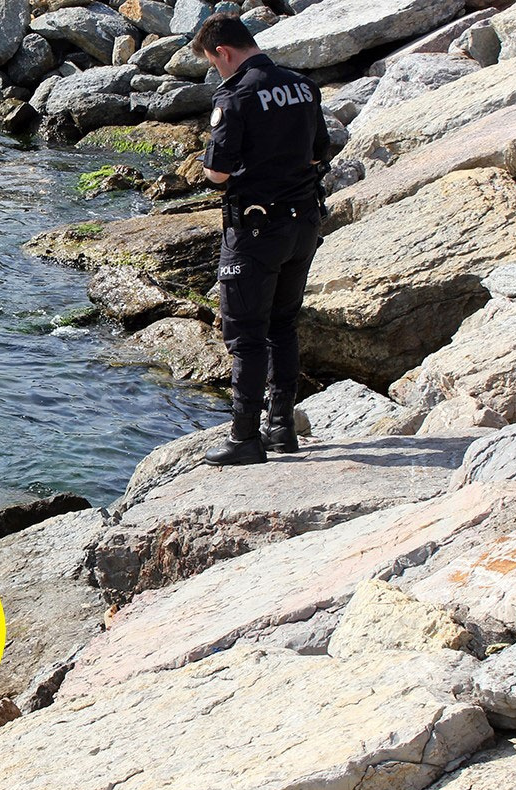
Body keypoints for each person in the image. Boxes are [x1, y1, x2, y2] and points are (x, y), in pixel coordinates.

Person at [192, 13, 331, 467]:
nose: (217, 72)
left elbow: (218, 172)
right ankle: (281, 426)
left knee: (246, 333)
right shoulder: (303, 87)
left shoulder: (234, 96)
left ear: (222, 52)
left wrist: (206, 163)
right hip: (304, 223)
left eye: (214, 64)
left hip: (255, 229)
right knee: (282, 325)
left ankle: (244, 437)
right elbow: (318, 153)